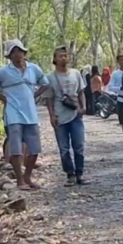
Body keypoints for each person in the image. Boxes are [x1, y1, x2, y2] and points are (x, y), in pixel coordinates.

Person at [0, 39, 48, 191]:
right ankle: (20, 180)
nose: (17, 54)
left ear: (24, 53)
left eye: (19, 51)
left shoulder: (34, 69)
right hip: (13, 115)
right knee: (16, 149)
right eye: (14, 51)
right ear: (9, 55)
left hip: (31, 114)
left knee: (34, 149)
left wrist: (34, 95)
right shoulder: (4, 72)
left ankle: (28, 177)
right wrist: (3, 98)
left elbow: (45, 83)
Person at [46, 46, 88, 186]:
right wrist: (52, 115)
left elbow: (81, 92)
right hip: (60, 116)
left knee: (79, 145)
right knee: (64, 148)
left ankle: (80, 174)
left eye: (65, 55)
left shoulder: (76, 73)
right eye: (60, 56)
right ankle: (70, 174)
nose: (63, 58)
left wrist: (83, 107)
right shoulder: (50, 78)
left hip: (75, 114)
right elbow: (49, 99)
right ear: (55, 59)